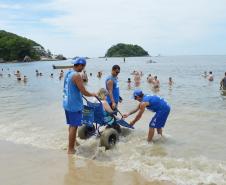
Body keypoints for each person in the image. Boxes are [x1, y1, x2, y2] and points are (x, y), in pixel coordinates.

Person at [63, 57, 96, 154]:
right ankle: (70, 149)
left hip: (66, 102)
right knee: (74, 126)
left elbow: (69, 88)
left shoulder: (69, 73)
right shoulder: (77, 76)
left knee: (71, 125)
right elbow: (84, 91)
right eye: (83, 66)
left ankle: (72, 143)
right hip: (74, 105)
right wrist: (93, 94)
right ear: (80, 65)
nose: (83, 68)